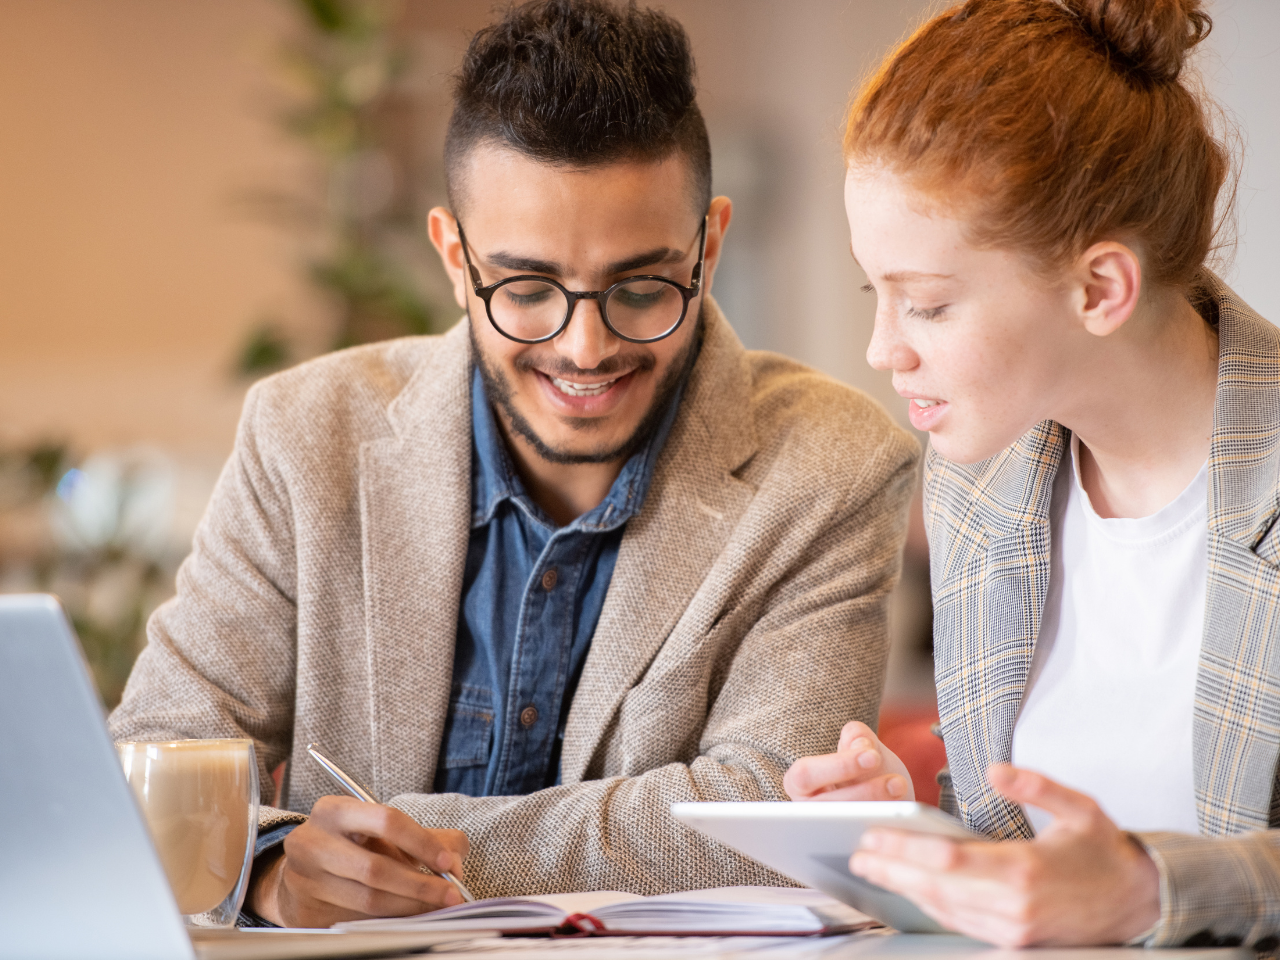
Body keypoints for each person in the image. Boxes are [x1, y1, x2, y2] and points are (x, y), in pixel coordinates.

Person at [108, 0, 918, 929]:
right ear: (455, 259)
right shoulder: (305, 433)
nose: (583, 347)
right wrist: (267, 869)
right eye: (527, 289)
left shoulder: (832, 467)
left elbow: (772, 815)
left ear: (711, 245)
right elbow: (157, 758)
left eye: (641, 286)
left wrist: (381, 841)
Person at [784, 0, 1280, 949]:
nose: (883, 349)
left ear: (1100, 289)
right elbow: (1030, 860)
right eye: (873, 291)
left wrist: (1149, 891)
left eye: (926, 305)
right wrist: (916, 838)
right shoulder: (982, 485)